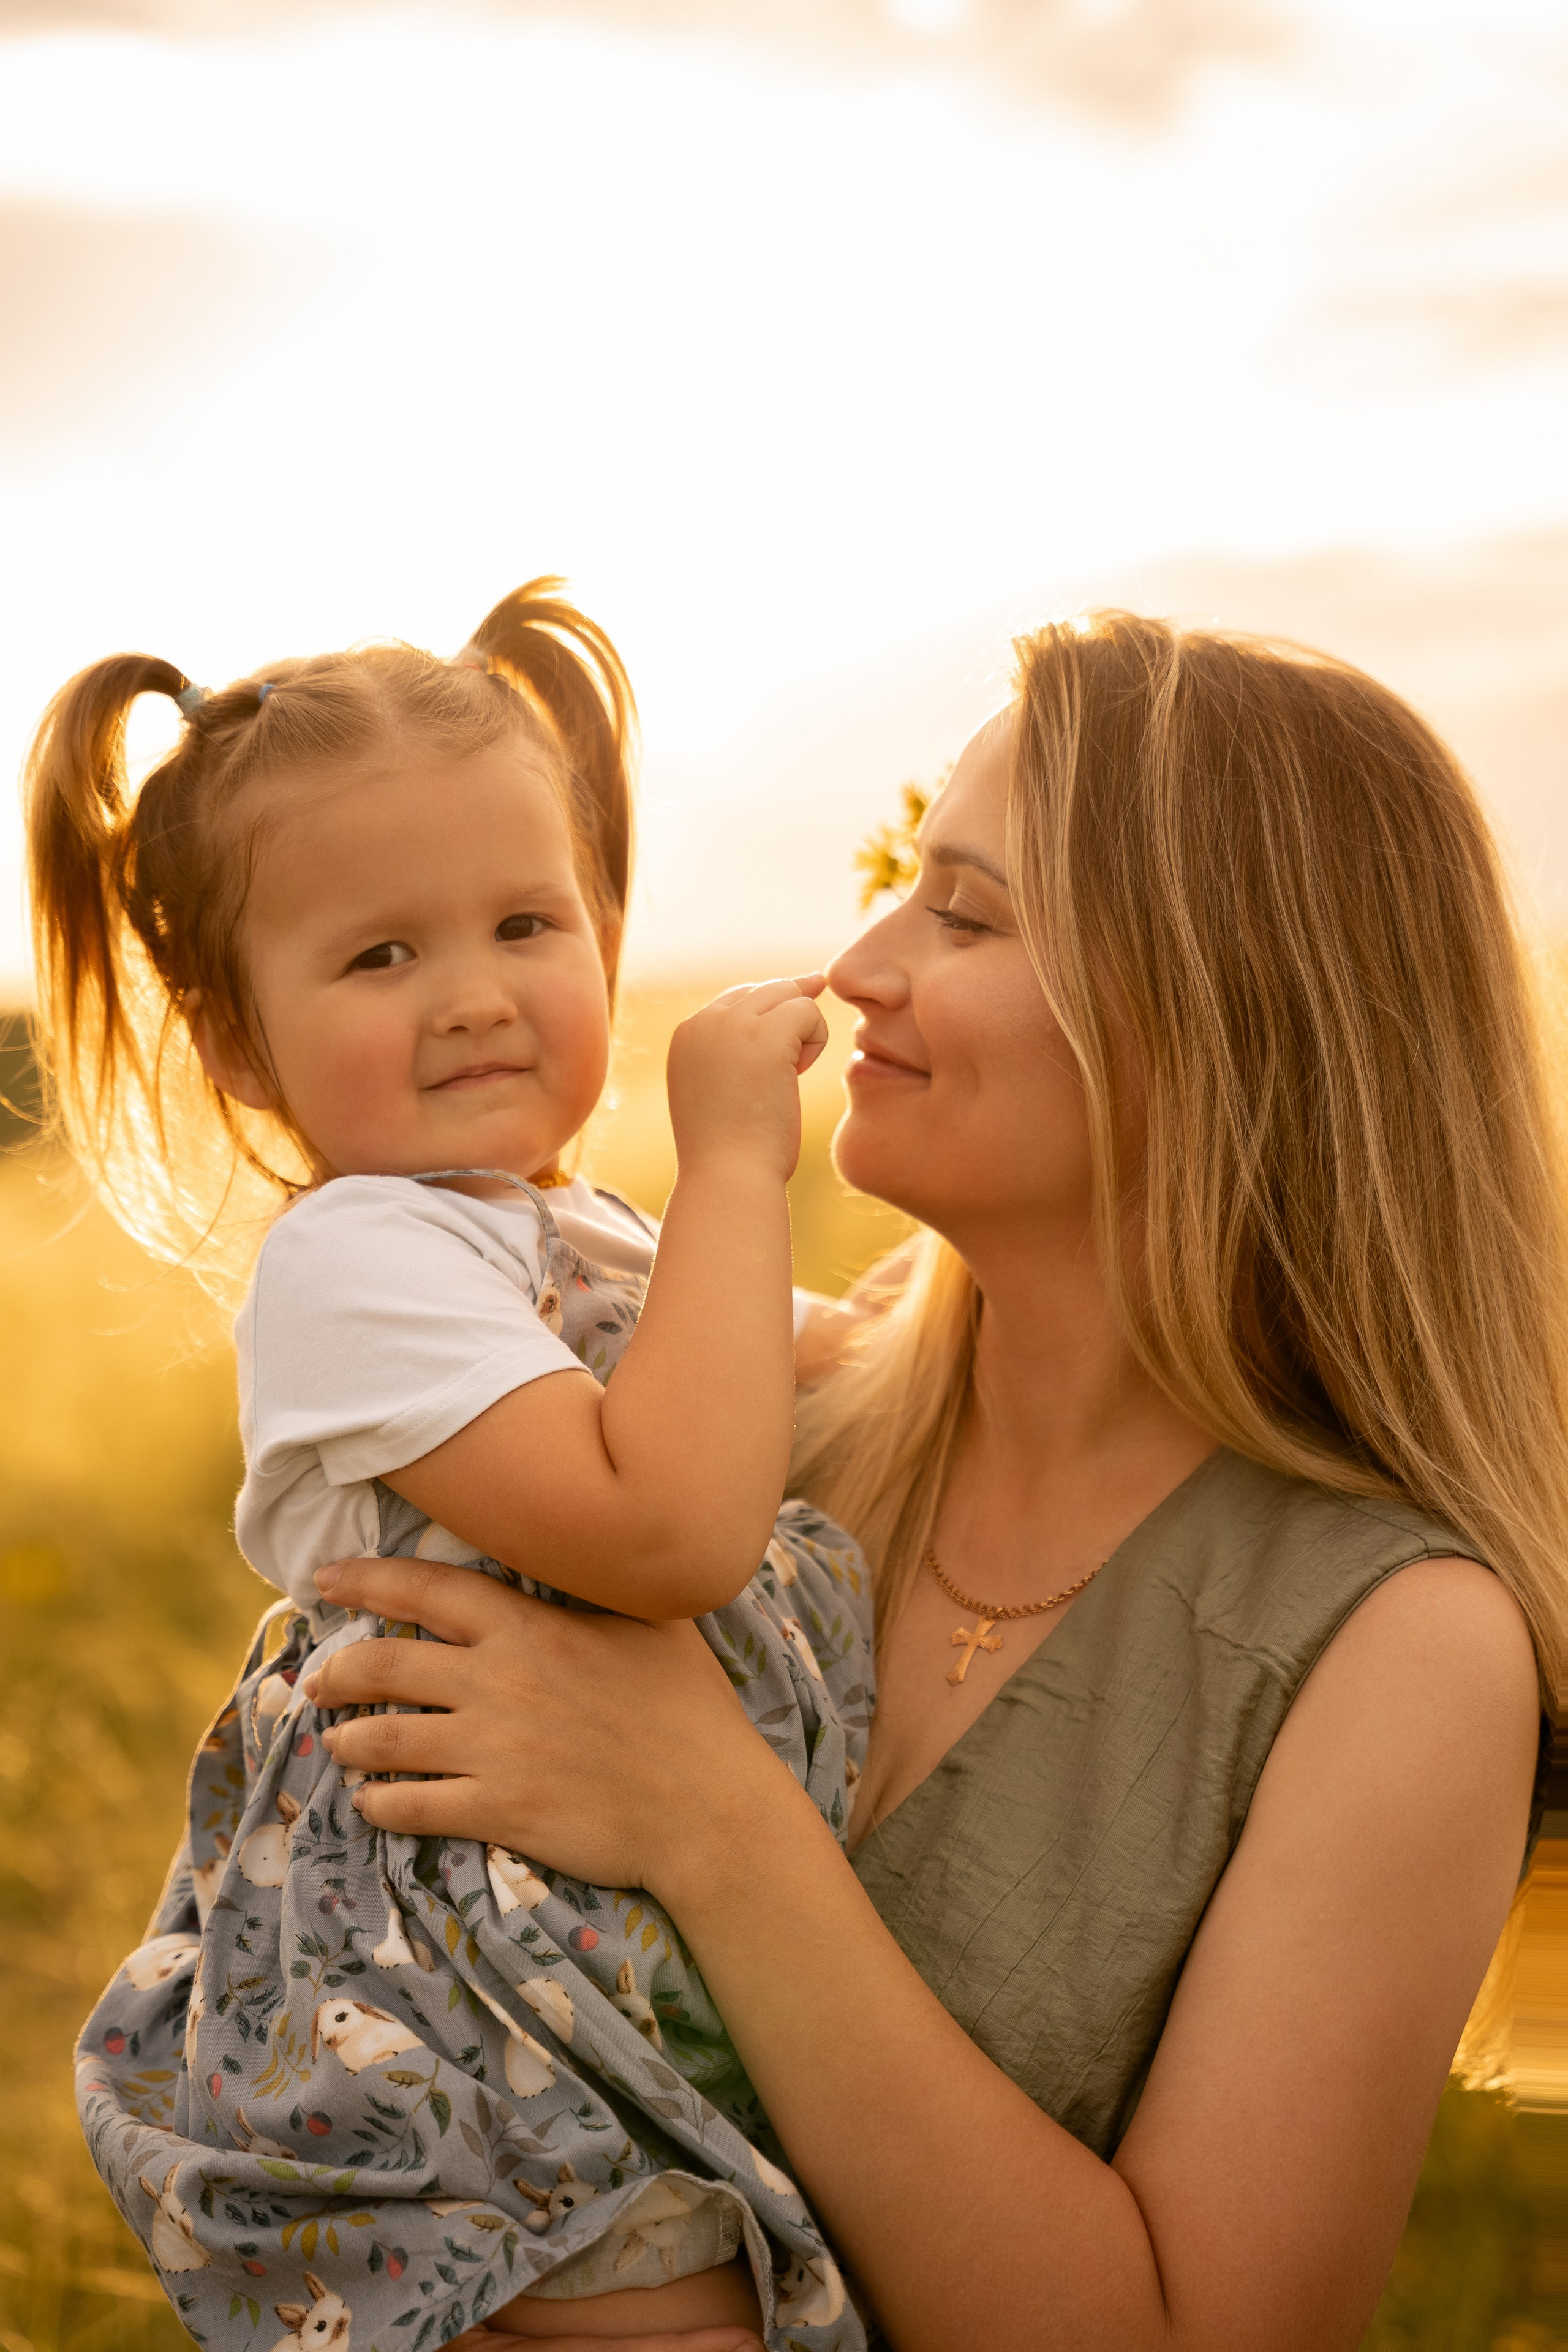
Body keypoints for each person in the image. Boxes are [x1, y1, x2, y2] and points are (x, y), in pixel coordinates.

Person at [304, 612, 1559, 2351]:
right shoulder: (745, 1436)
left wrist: (713, 1820)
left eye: (963, 914)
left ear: (1220, 1014)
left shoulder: (1401, 1648)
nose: (860, 963)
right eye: (900, 880)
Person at [34, 584, 875, 2348]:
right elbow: (671, 1527)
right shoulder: (360, 1260)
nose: (476, 999)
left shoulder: (568, 1230)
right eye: (381, 956)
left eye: (523, 923)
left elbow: (852, 1360)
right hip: (467, 1999)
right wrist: (738, 1160)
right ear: (239, 1042)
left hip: (605, 1946)